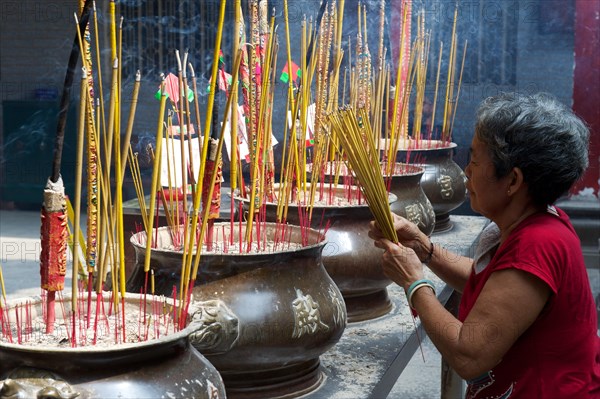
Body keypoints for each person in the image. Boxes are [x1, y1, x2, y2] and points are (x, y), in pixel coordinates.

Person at [369, 92, 600, 398]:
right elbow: (495, 285)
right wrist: (425, 250)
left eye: (475, 161)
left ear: (513, 181)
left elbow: (469, 354)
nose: (467, 171)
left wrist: (414, 283)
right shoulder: (540, 221)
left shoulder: (538, 244)